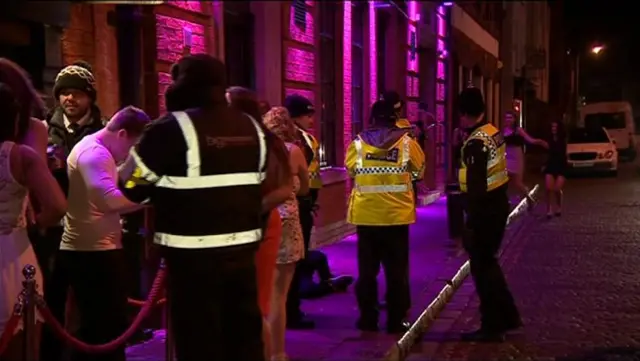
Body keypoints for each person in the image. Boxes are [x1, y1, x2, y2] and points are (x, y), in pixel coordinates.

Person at [118, 54, 267, 360]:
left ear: (180, 86)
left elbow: (130, 186)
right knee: (243, 343)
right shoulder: (252, 127)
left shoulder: (169, 128)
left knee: (199, 344)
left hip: (192, 264)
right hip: (243, 260)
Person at [46, 107, 151, 361]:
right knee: (104, 329)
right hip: (93, 253)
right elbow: (109, 202)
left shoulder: (94, 148)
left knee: (99, 328)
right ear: (123, 133)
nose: (129, 153)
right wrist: (150, 198)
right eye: (132, 146)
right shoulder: (94, 153)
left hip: (94, 249)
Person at [345, 100, 425, 334]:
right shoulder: (408, 144)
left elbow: (351, 170)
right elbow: (419, 172)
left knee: (367, 273)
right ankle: (396, 320)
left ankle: (368, 319)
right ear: (394, 118)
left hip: (367, 216)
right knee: (396, 272)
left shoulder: (358, 144)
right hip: (396, 217)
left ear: (372, 119)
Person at [0, 83, 67, 361]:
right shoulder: (20, 156)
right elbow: (57, 206)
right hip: (12, 254)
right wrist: (37, 222)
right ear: (14, 118)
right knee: (22, 345)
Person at [226, 86, 293, 360]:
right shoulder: (227, 138)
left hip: (260, 225)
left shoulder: (266, 141)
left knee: (254, 305)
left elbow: (285, 188)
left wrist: (250, 207)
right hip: (231, 229)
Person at [457, 87, 521, 342]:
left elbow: (475, 187)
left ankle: (492, 324)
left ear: (464, 113)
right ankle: (506, 317)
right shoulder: (492, 132)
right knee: (489, 265)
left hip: (484, 213)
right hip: (497, 206)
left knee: (483, 269)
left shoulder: (475, 143)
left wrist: (469, 223)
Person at [263, 106, 309, 361]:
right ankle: (278, 353)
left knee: (261, 291)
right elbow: (304, 187)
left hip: (263, 219)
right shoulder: (294, 151)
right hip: (287, 220)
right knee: (279, 294)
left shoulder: (260, 150)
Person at [283, 94, 319, 329]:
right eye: (308, 115)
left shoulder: (285, 139)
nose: (312, 120)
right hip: (297, 205)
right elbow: (304, 178)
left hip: (298, 204)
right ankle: (291, 312)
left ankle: (288, 309)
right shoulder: (299, 142)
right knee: (293, 260)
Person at [502, 111, 547, 208]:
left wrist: (540, 142)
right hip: (506, 157)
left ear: (514, 120)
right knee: (502, 180)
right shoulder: (503, 131)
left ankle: (529, 198)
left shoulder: (518, 130)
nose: (508, 120)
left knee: (518, 183)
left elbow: (530, 140)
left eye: (510, 118)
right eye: (506, 118)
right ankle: (504, 201)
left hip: (517, 157)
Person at [543, 121, 568, 218]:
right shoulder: (549, 139)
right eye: (552, 127)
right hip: (550, 165)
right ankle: (549, 209)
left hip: (561, 165)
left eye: (555, 127)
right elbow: (546, 150)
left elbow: (564, 153)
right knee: (549, 188)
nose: (553, 129)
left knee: (557, 188)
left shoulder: (563, 139)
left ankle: (559, 206)